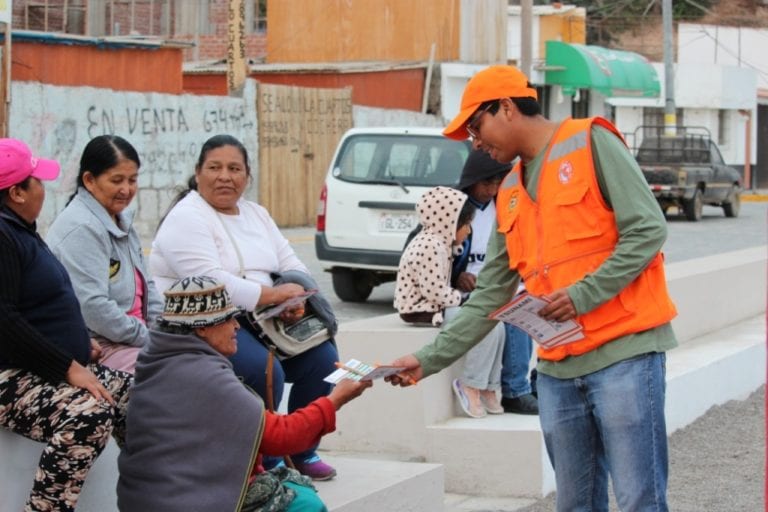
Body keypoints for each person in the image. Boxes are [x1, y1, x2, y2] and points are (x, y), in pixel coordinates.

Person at [386, 65, 678, 511]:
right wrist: (427, 360)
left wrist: (583, 294)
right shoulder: (509, 192)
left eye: (476, 126)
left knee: (640, 500)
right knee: (575, 504)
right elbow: (490, 295)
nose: (475, 142)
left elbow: (647, 230)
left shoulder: (591, 141)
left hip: (625, 355)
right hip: (558, 370)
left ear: (506, 107)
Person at [150, 134, 340, 480]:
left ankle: (302, 449)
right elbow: (210, 283)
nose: (225, 176)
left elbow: (290, 260)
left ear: (247, 176)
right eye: (215, 168)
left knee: (324, 361)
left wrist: (291, 295)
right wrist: (271, 297)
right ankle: (263, 457)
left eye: (234, 168)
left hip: (265, 317)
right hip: (208, 323)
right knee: (265, 370)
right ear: (198, 172)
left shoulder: (256, 213)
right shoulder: (187, 216)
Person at [118, 275, 371, 512]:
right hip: (187, 501)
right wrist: (336, 399)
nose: (237, 326)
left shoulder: (159, 362)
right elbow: (282, 437)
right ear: (202, 329)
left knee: (291, 485)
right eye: (227, 318)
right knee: (305, 504)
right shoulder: (203, 375)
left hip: (148, 497)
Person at [0, 138, 131, 512]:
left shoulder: (19, 229)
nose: (44, 186)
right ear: (17, 192)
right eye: (36, 180)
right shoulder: (3, 236)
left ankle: (153, 493)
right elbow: (4, 319)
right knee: (87, 412)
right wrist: (67, 365)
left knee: (140, 397)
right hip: (10, 377)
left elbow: (35, 309)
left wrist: (77, 344)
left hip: (39, 366)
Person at [46, 135, 163, 373]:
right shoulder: (81, 228)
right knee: (177, 375)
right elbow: (94, 307)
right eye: (117, 180)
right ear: (89, 180)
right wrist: (151, 340)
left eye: (132, 180)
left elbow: (148, 287)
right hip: (104, 345)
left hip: (137, 339)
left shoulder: (120, 220)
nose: (126, 190)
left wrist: (164, 332)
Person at [394, 185, 505, 418]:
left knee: (496, 321)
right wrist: (464, 300)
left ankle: (488, 386)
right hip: (422, 310)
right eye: (466, 224)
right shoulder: (430, 245)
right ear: (449, 222)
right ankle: (470, 384)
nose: (469, 230)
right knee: (479, 322)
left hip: (437, 306)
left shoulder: (442, 243)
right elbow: (434, 292)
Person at [452, 149, 538, 415]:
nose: (491, 189)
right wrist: (457, 277)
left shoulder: (504, 206)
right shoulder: (455, 207)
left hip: (499, 282)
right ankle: (514, 391)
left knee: (531, 305)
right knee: (510, 311)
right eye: (486, 182)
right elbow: (429, 253)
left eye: (497, 183)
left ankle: (533, 382)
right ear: (471, 180)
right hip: (464, 291)